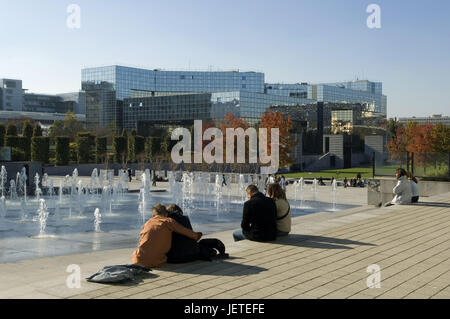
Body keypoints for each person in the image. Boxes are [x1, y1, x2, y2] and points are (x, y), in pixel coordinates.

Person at [131, 204, 202, 268]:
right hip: (156, 262)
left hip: (137, 260)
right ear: (166, 214)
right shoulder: (168, 221)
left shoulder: (147, 223)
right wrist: (198, 235)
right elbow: (186, 232)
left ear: (153, 215)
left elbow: (142, 240)